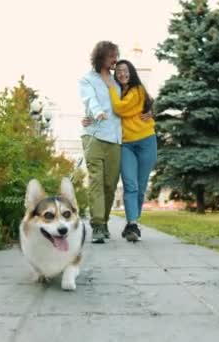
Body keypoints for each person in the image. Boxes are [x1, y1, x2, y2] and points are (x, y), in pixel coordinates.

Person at [84, 59, 157, 242]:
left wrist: (152, 112)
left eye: (125, 70)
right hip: (126, 144)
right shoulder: (116, 90)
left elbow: (120, 108)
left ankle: (133, 222)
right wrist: (89, 119)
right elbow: (106, 109)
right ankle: (132, 224)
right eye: (118, 71)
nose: (122, 74)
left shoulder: (138, 90)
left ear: (131, 72)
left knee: (140, 187)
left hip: (146, 141)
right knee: (130, 185)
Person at [78, 41, 122, 244]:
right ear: (101, 57)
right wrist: (96, 113)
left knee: (110, 183)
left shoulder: (118, 81)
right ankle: (97, 226)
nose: (115, 60)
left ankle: (104, 222)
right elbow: (89, 100)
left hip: (115, 138)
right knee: (96, 180)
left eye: (117, 55)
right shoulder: (87, 79)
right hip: (94, 135)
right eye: (112, 56)